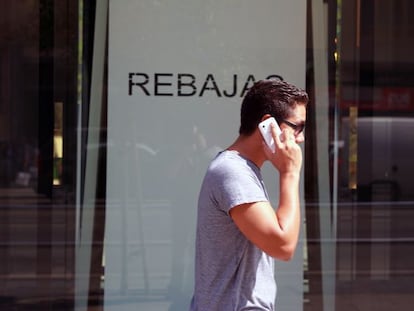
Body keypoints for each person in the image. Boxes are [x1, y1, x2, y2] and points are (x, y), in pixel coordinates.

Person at [189, 79, 309, 311]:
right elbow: (282, 246)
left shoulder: (241, 169)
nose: (301, 138)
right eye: (297, 127)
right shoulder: (233, 172)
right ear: (267, 124)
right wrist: (290, 172)